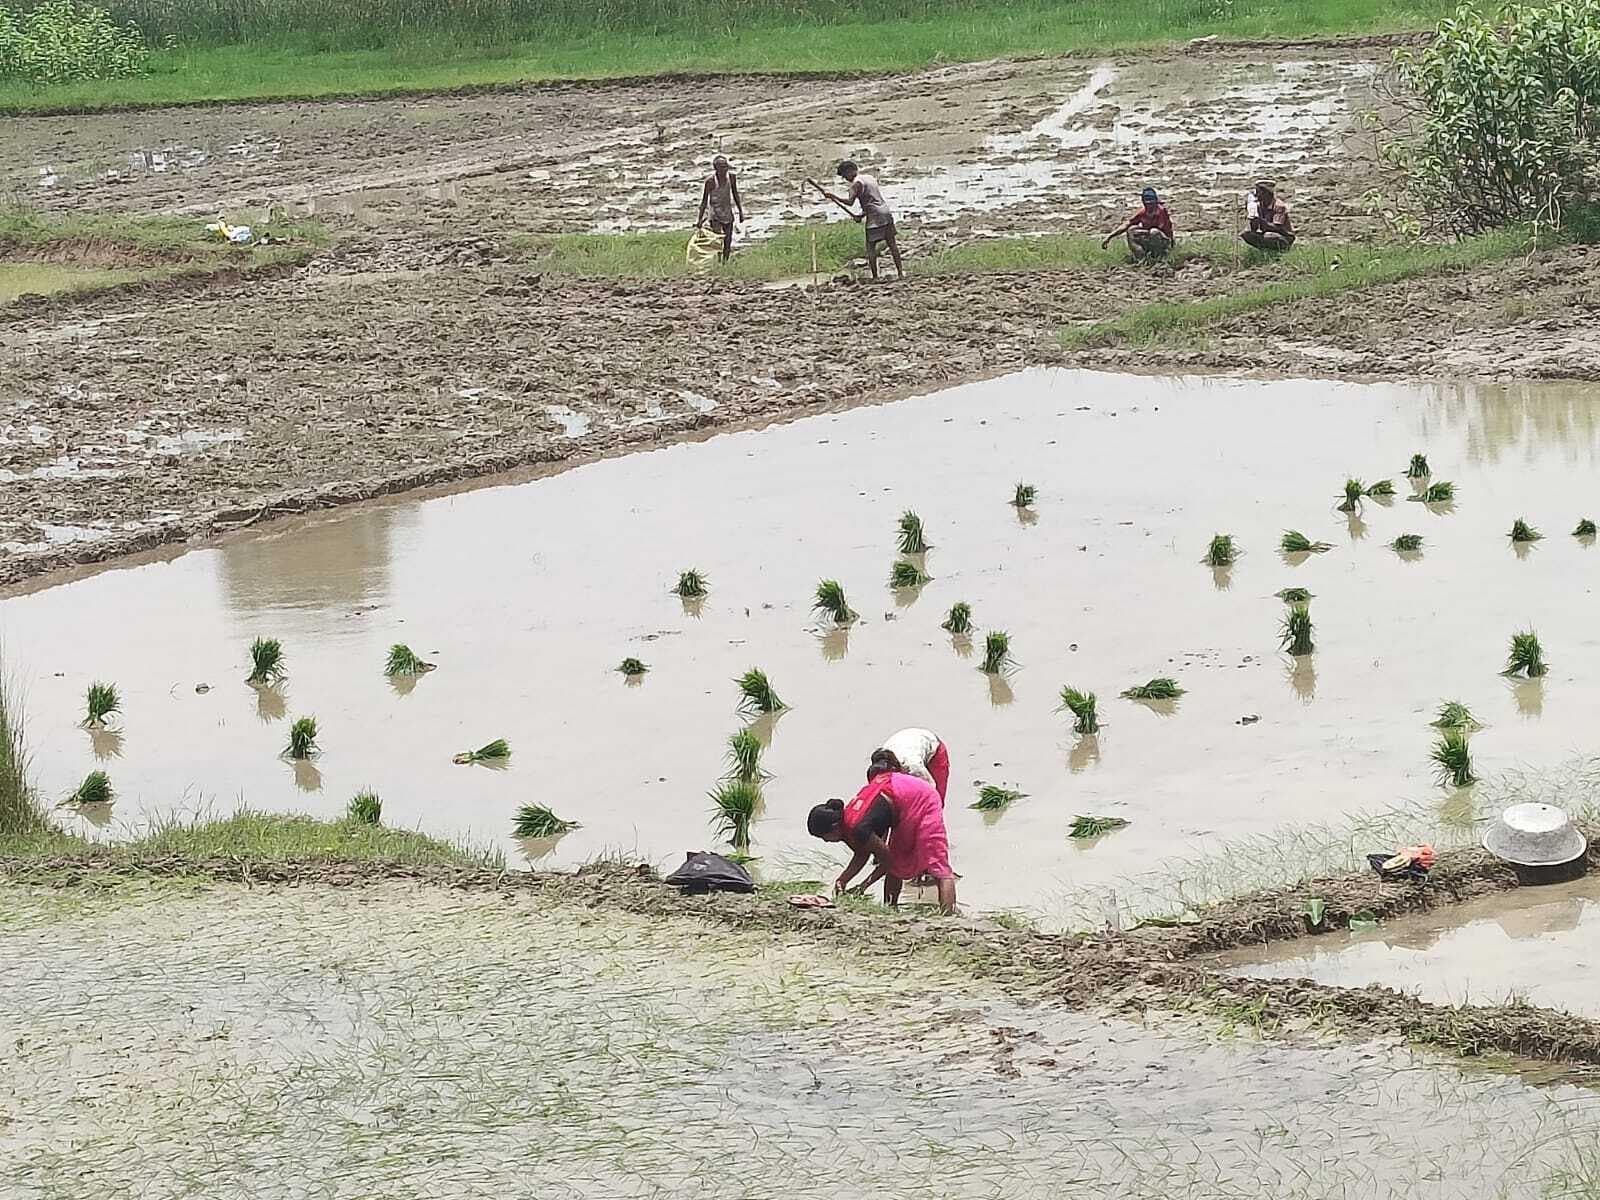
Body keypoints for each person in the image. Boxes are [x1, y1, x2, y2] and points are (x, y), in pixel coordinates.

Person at [806, 752, 957, 914]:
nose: (826, 842)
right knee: (898, 862)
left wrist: (862, 886)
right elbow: (861, 854)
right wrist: (842, 880)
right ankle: (890, 910)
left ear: (834, 827)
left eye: (824, 837)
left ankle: (947, 916)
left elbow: (888, 860)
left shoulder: (858, 827)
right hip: (900, 798)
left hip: (921, 798)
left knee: (938, 865)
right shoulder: (849, 822)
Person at [819, 160, 903, 281]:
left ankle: (875, 277)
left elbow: (850, 202)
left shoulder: (856, 184)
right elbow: (871, 200)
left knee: (870, 247)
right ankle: (900, 273)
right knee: (892, 244)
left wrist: (832, 196)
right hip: (885, 212)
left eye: (844, 176)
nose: (845, 179)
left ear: (849, 172)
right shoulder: (869, 178)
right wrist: (861, 215)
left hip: (875, 217)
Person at [869, 727, 950, 802]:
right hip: (907, 743)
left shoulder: (912, 765)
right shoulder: (880, 761)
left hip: (933, 750)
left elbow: (931, 790)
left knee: (936, 798)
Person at [695, 155, 745, 263]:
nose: (725, 169)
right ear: (716, 168)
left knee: (728, 240)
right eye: (722, 167)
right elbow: (704, 201)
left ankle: (725, 262)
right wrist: (699, 219)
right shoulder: (710, 181)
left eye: (726, 166)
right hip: (715, 214)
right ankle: (718, 260)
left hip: (727, 212)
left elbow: (735, 194)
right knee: (718, 240)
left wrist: (740, 211)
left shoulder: (731, 178)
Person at [1102, 187, 1175, 259]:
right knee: (1131, 230)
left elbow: (1166, 230)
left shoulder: (1161, 211)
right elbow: (1127, 224)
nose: (1149, 204)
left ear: (1155, 201)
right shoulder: (1143, 213)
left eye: (1151, 202)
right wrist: (1109, 237)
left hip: (1164, 241)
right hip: (1150, 238)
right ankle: (1141, 257)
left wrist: (1172, 244)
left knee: (1154, 232)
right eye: (1146, 202)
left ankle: (1159, 258)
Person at [1242, 179, 1295, 251]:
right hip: (1267, 232)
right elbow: (1254, 228)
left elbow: (1277, 228)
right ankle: (1265, 250)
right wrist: (1252, 218)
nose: (1256, 195)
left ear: (1266, 193)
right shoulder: (1259, 205)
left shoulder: (1279, 206)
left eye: (1258, 192)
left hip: (1283, 236)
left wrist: (1261, 221)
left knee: (1269, 236)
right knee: (1247, 234)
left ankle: (1281, 249)